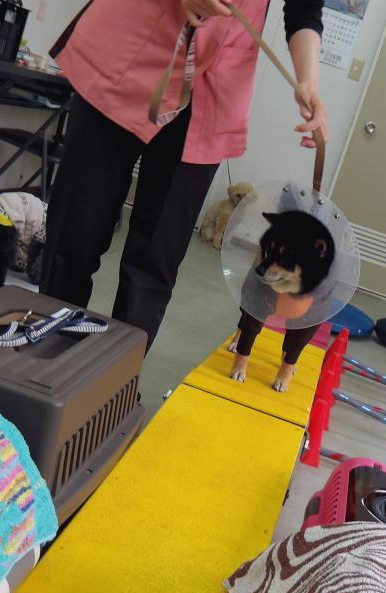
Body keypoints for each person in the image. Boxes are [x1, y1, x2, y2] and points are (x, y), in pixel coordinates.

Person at [41, 0, 327, 351]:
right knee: (73, 236)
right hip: (128, 48)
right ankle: (43, 358)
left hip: (214, 83)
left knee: (152, 266)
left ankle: (117, 375)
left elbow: (304, 8)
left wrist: (307, 81)